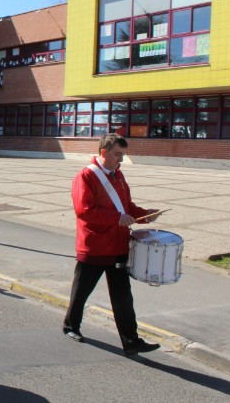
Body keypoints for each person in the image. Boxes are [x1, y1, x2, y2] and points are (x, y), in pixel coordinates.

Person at [63, 134, 161, 356]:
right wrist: (117, 218)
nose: (121, 159)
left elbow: (126, 206)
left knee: (123, 297)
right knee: (81, 292)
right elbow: (84, 211)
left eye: (123, 155)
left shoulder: (119, 175)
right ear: (103, 152)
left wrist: (145, 215)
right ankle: (71, 325)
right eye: (117, 154)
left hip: (118, 246)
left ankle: (131, 341)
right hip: (95, 247)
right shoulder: (86, 176)